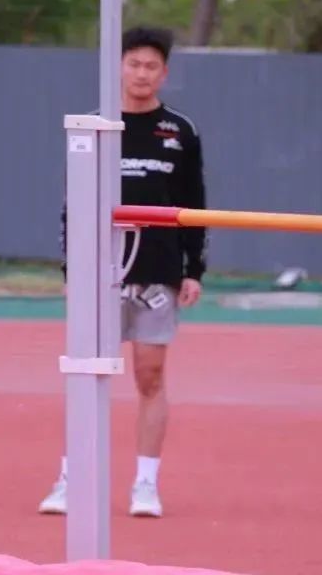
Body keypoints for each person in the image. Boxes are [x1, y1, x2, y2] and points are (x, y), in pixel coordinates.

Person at [39, 26, 207, 518]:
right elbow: (73, 204)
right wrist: (72, 270)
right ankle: (70, 478)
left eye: (151, 66)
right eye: (133, 63)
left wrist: (193, 268)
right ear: (119, 67)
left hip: (158, 270)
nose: (141, 73)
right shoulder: (94, 126)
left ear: (164, 73)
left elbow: (194, 202)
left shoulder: (179, 131)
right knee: (87, 375)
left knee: (150, 375)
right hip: (101, 272)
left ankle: (146, 484)